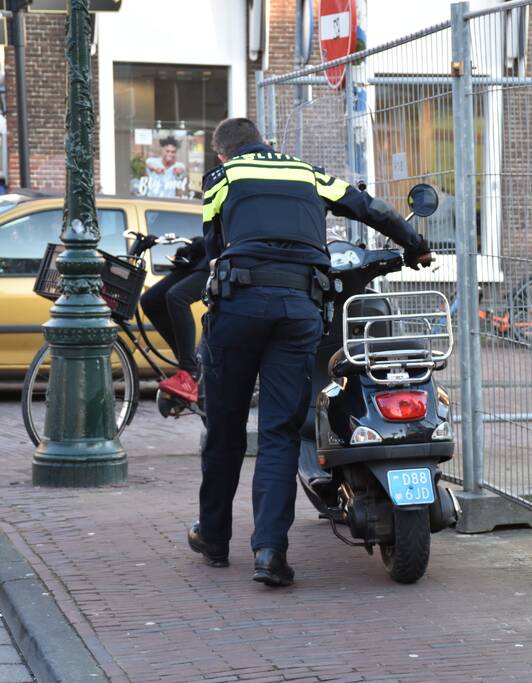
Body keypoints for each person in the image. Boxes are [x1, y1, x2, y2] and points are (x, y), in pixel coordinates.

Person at [187, 117, 432, 587]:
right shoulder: (305, 172)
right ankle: (269, 553)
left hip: (237, 309)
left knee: (225, 429)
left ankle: (214, 539)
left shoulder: (221, 177)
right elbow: (370, 208)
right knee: (279, 432)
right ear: (266, 143)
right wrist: (415, 245)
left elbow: (214, 248)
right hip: (297, 309)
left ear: (222, 153)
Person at [139, 235, 209, 402]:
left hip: (222, 257)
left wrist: (203, 243)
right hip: (204, 257)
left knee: (177, 296)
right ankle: (189, 368)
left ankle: (189, 373)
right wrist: (196, 245)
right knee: (150, 300)